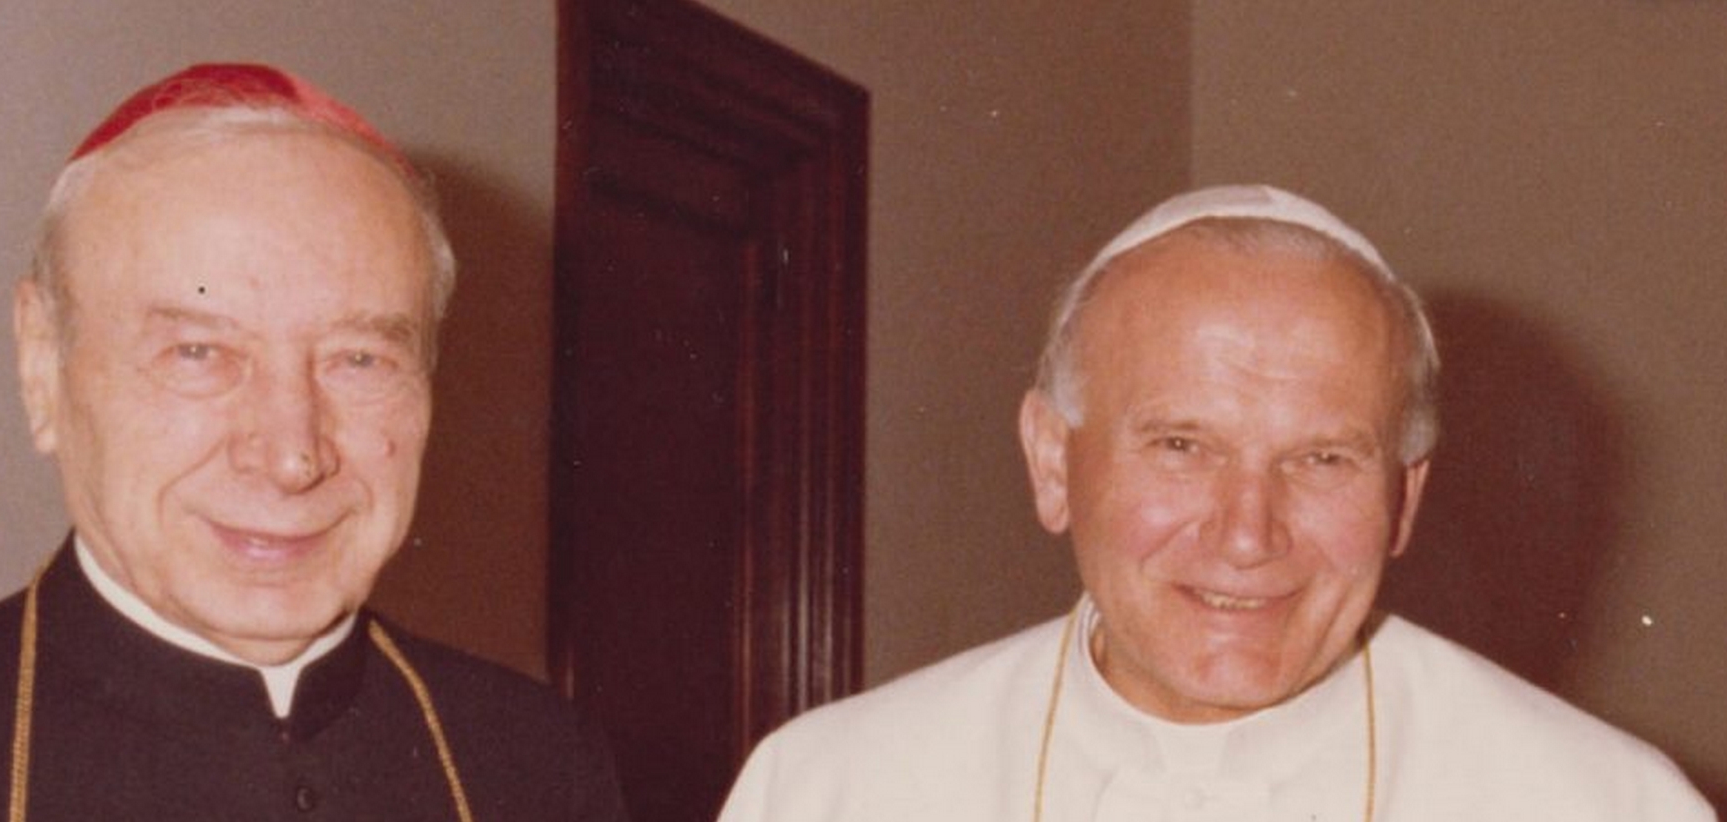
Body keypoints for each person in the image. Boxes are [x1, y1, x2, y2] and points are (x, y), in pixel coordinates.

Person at [717, 185, 1713, 821]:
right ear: (1053, 462)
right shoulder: (829, 791)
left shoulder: (1603, 804)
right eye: (1182, 446)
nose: (1248, 535)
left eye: (1323, 458)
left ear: (1404, 498)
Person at [0, 63, 628, 822]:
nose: (291, 456)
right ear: (41, 367)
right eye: (200, 353)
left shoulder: (541, 768)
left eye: (360, 359)